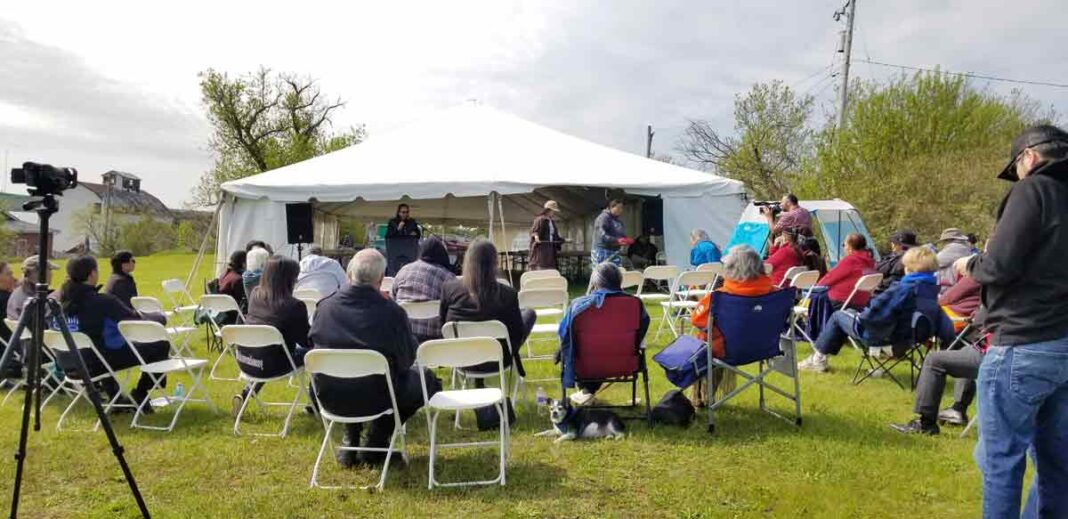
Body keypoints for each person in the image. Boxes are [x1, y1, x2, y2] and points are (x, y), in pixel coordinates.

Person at [964, 125, 1068, 517]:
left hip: (1024, 341)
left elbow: (1000, 265)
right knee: (1058, 465)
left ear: (1029, 158)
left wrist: (969, 263)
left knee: (1001, 464)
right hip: (1064, 343)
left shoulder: (1033, 190)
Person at [309, 249, 441, 467]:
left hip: (330, 395)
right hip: (378, 396)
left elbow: (313, 346)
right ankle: (375, 443)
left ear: (350, 274)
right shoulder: (392, 312)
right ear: (381, 280)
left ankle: (350, 439)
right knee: (427, 381)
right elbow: (407, 359)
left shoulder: (324, 308)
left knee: (353, 379)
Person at [798, 247, 953, 373]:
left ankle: (818, 359)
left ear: (909, 268)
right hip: (909, 341)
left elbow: (872, 316)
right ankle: (820, 358)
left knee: (838, 316)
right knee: (849, 314)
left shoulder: (903, 289)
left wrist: (861, 317)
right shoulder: (932, 290)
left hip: (883, 337)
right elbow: (946, 327)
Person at [52, 256, 168, 413]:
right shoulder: (102, 302)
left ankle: (116, 397)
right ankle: (140, 394)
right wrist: (160, 317)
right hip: (94, 364)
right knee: (160, 345)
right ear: (92, 274)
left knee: (98, 346)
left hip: (68, 362)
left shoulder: (58, 302)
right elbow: (135, 320)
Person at [889, 263, 984, 435]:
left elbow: (947, 298)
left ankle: (926, 424)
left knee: (935, 360)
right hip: (1000, 347)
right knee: (968, 345)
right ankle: (958, 408)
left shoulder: (982, 275)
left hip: (998, 353)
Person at [689, 245, 777, 404]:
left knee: (705, 342)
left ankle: (701, 397)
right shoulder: (775, 294)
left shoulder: (720, 297)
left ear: (731, 269)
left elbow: (696, 319)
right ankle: (706, 396)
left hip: (727, 351)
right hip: (764, 349)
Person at [440, 239, 536, 381]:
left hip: (461, 358)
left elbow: (443, 326)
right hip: (498, 360)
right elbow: (516, 334)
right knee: (529, 313)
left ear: (467, 261)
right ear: (494, 263)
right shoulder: (508, 294)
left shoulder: (449, 289)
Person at [558, 263, 650, 406]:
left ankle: (586, 391)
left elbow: (564, 334)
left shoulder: (579, 305)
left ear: (595, 282)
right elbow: (640, 333)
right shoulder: (634, 303)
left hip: (585, 364)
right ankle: (587, 392)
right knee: (605, 346)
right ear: (619, 281)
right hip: (625, 362)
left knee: (585, 347)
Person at [233, 256, 311, 416]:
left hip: (246, 360)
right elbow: (306, 341)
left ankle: (246, 393)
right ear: (289, 279)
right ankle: (315, 404)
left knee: (266, 349)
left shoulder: (255, 294)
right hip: (273, 365)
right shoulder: (294, 305)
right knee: (316, 353)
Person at [391, 237, 457, 343]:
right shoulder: (449, 278)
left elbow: (393, 298)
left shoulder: (404, 271)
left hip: (404, 336)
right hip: (434, 340)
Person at [815, 233, 876, 310]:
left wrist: (816, 287)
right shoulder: (871, 261)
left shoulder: (851, 260)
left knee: (818, 297)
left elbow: (829, 278)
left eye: (844, 245)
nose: (844, 247)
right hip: (862, 301)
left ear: (850, 247)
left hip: (843, 301)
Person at [7, 255, 57, 321]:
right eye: (50, 269)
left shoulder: (16, 293)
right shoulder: (39, 299)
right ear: (40, 273)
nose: (51, 273)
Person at [385, 203, 422, 275]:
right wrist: (398, 229)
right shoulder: (392, 222)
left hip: (409, 251)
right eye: (403, 212)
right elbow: (388, 236)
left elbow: (417, 235)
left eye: (407, 212)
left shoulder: (412, 222)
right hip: (396, 251)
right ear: (398, 213)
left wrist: (414, 234)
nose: (405, 214)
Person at [591, 199, 629, 266]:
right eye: (618, 208)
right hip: (602, 251)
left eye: (622, 208)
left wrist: (625, 239)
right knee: (603, 273)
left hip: (614, 251)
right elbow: (602, 235)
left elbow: (620, 234)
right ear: (611, 207)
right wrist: (617, 240)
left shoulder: (618, 221)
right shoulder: (603, 218)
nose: (620, 210)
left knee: (615, 272)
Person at [529, 200, 564, 271]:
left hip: (550, 249)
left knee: (550, 267)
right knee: (541, 266)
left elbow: (554, 236)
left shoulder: (551, 221)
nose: (553, 213)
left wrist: (562, 240)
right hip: (542, 249)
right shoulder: (539, 219)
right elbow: (534, 231)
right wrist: (536, 237)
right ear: (548, 210)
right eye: (553, 211)